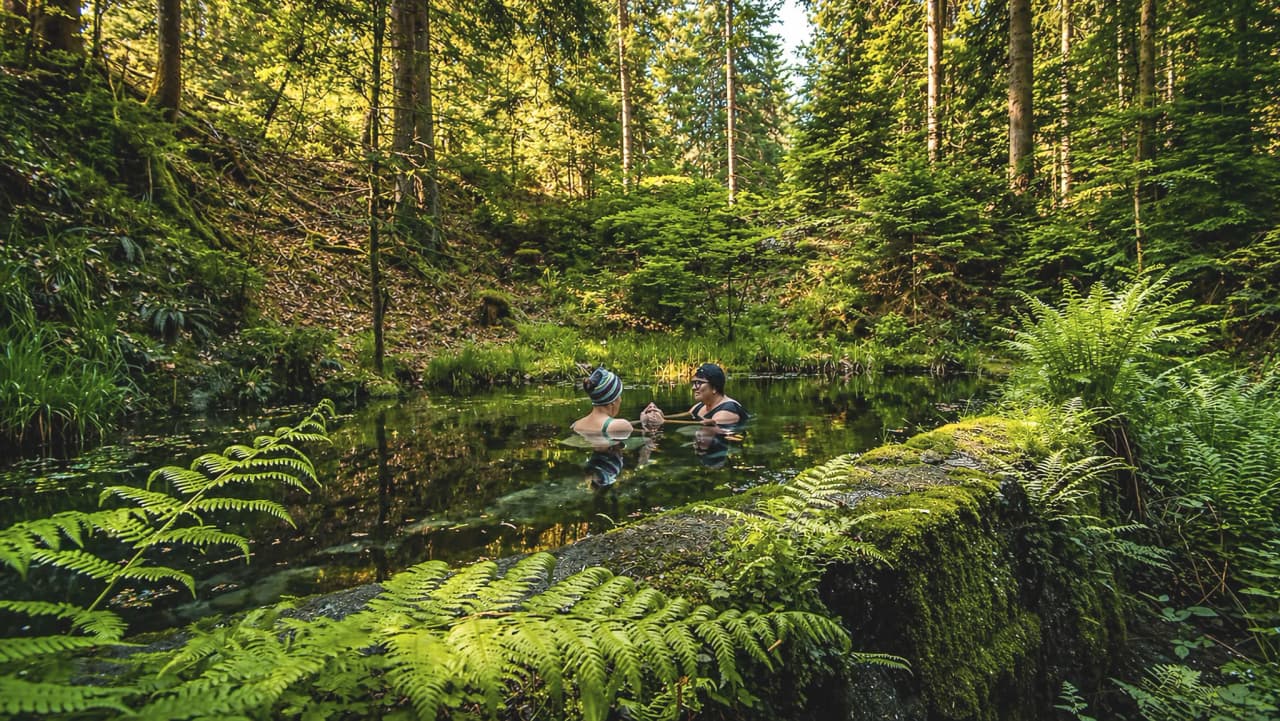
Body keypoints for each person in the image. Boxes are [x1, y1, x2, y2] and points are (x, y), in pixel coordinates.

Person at [641, 363, 748, 428]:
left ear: (714, 388)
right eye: (694, 383)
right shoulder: (700, 406)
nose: (693, 388)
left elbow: (707, 424)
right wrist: (656, 414)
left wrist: (663, 422)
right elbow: (686, 415)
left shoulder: (728, 410)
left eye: (699, 383)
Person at [570, 366, 634, 437]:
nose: (621, 400)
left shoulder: (576, 425)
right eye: (619, 395)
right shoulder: (622, 426)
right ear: (613, 400)